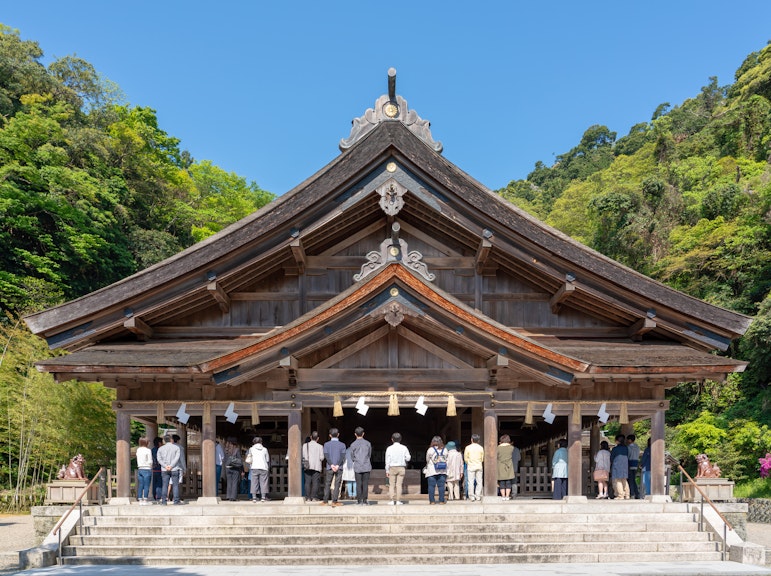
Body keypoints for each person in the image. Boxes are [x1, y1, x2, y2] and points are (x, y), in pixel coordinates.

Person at [385, 432, 411, 505]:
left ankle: (392, 500)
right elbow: (408, 458)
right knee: (399, 484)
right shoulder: (404, 447)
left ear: (392, 439)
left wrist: (387, 470)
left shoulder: (389, 448)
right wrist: (404, 458)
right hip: (401, 467)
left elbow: (387, 460)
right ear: (400, 439)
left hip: (392, 467)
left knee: (391, 484)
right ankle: (398, 500)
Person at [322, 428, 346, 506]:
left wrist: (331, 464)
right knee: (337, 484)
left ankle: (325, 501)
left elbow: (326, 455)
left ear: (330, 435)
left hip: (329, 467)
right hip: (339, 467)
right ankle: (334, 501)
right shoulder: (342, 445)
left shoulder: (326, 444)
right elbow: (342, 456)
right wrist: (337, 465)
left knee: (327, 483)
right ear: (338, 434)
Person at [349, 426, 372, 505]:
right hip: (366, 465)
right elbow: (369, 455)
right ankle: (365, 500)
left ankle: (359, 501)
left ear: (355, 434)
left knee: (358, 484)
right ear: (363, 434)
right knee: (365, 483)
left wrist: (356, 460)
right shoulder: (368, 443)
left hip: (357, 466)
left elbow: (352, 457)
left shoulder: (353, 444)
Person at [156, 434, 182, 505]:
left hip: (164, 469)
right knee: (175, 485)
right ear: (171, 439)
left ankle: (164, 501)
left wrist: (165, 466)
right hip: (174, 468)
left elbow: (159, 459)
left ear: (164, 440)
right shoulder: (176, 448)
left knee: (165, 485)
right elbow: (177, 458)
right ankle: (176, 500)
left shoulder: (160, 448)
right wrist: (171, 465)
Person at [425, 436, 448, 504]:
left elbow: (427, 459)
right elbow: (446, 458)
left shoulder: (430, 450)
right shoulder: (445, 450)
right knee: (441, 486)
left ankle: (432, 501)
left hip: (432, 471)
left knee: (431, 486)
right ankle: (441, 500)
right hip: (442, 470)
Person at [246, 436, 270, 502]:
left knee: (254, 482)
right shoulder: (265, 449)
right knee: (263, 483)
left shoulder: (251, 449)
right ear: (261, 442)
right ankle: (263, 497)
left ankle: (254, 497)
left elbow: (250, 458)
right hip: (263, 467)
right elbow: (267, 459)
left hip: (254, 467)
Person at [302, 431, 324, 501]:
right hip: (316, 466)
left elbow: (303, 455)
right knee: (315, 482)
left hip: (307, 465)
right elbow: (322, 458)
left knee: (307, 482)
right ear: (318, 438)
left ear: (311, 437)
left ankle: (308, 497)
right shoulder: (320, 446)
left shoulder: (305, 445)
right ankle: (314, 497)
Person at [464, 433, 484, 501]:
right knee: (479, 482)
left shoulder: (468, 447)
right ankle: (478, 496)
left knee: (470, 482)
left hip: (471, 466)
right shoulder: (481, 448)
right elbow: (482, 458)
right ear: (478, 440)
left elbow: (465, 458)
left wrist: (469, 462)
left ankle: (471, 496)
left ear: (471, 439)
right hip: (479, 466)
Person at [611, 434, 630, 500]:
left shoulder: (615, 449)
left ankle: (620, 495)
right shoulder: (626, 448)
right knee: (624, 480)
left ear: (617, 441)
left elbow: (612, 458)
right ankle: (627, 495)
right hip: (625, 465)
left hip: (617, 465)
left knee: (618, 480)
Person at [224, 437, 243, 502]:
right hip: (235, 468)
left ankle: (228, 496)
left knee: (229, 482)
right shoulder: (236, 450)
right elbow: (240, 460)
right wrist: (241, 469)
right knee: (234, 482)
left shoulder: (226, 450)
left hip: (228, 468)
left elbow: (224, 459)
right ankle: (233, 497)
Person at [497, 434, 515, 500]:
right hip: (509, 466)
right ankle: (507, 496)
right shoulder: (511, 447)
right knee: (508, 482)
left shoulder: (498, 448)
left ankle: (503, 496)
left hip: (501, 466)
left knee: (501, 482)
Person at [136, 436, 153, 505]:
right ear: (146, 442)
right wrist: (151, 465)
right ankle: (145, 499)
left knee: (141, 485)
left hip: (140, 468)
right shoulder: (148, 450)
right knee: (146, 485)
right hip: (147, 468)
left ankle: (140, 499)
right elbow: (150, 460)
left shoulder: (138, 450)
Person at [627, 434, 641, 499]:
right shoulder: (637, 447)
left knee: (631, 480)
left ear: (629, 440)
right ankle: (636, 493)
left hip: (630, 463)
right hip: (635, 463)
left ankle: (632, 493)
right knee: (633, 479)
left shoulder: (628, 447)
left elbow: (628, 456)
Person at [151, 436, 163, 503]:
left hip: (153, 469)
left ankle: (154, 495)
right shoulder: (160, 450)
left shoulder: (152, 450)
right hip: (160, 469)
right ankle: (158, 496)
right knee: (159, 483)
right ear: (159, 443)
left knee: (154, 483)